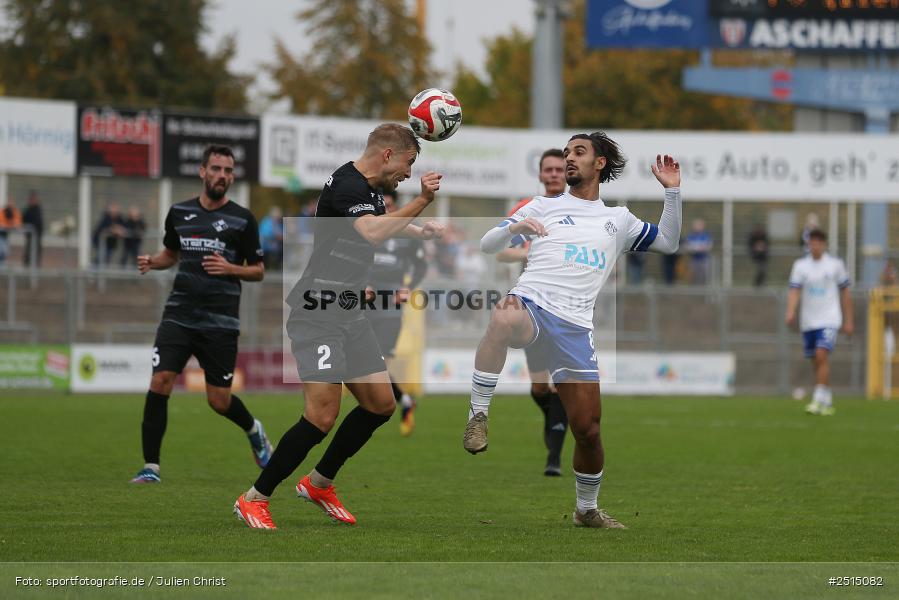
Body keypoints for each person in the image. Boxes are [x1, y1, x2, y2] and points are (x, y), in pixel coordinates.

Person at [462, 132, 682, 529]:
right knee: (503, 314)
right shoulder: (542, 206)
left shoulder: (618, 219)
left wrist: (672, 193)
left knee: (589, 431)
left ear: (599, 163)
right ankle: (478, 414)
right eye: (566, 153)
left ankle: (587, 510)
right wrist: (515, 227)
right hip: (531, 305)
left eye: (578, 152)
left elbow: (668, 242)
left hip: (575, 328)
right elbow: (486, 244)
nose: (569, 159)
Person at [233, 124, 444, 530]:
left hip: (348, 312)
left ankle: (319, 483)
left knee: (381, 405)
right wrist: (421, 201)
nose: (408, 172)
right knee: (322, 416)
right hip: (317, 313)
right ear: (387, 155)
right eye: (408, 163)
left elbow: (378, 222)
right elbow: (370, 230)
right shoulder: (348, 185)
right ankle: (254, 497)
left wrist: (420, 229)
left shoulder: (366, 190)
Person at [130, 144, 272, 484]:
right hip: (179, 314)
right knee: (160, 381)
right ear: (203, 172)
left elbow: (258, 271)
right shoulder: (179, 212)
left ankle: (254, 430)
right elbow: (171, 254)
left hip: (220, 321)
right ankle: (151, 467)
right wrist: (153, 261)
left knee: (218, 401)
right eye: (217, 169)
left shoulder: (243, 219)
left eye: (228, 171)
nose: (223, 175)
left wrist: (230, 267)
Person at [494, 148, 570, 476]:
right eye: (548, 170)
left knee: (563, 385)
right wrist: (526, 250)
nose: (554, 174)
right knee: (541, 387)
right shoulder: (528, 210)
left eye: (559, 169)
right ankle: (552, 414)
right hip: (534, 307)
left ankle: (554, 458)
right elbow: (499, 252)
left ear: (568, 174)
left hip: (570, 307)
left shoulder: (580, 210)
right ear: (540, 175)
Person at [365, 192, 428, 436]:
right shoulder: (366, 229)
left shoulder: (407, 233)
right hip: (365, 302)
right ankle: (403, 401)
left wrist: (408, 288)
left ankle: (390, 404)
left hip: (391, 304)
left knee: (378, 363)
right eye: (381, 205)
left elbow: (421, 265)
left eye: (388, 205)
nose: (384, 209)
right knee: (368, 362)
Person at [785, 229, 853, 416]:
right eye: (811, 242)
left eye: (818, 242)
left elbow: (845, 293)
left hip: (830, 319)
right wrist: (790, 312)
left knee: (821, 354)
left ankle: (817, 399)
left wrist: (849, 321)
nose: (814, 246)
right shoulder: (800, 266)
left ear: (823, 244)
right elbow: (794, 291)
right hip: (809, 321)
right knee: (816, 361)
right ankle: (827, 398)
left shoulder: (835, 265)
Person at [685, 218, 712, 285]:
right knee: (693, 276)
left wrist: (701, 248)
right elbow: (687, 246)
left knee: (704, 276)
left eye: (699, 225)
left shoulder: (705, 235)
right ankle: (694, 290)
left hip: (704, 259)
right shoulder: (691, 235)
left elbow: (708, 246)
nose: (697, 227)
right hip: (693, 259)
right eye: (696, 225)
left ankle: (704, 291)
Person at [22, 191, 44, 267]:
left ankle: (34, 273)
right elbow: (23, 220)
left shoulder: (38, 210)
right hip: (30, 237)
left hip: (36, 237)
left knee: (36, 255)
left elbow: (39, 223)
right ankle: (27, 271)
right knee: (28, 255)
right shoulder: (28, 210)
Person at [0, 199, 23, 265]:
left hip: (5, 234)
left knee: (4, 251)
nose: (10, 206)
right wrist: (7, 224)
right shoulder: (2, 212)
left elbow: (18, 222)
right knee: (3, 250)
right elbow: (1, 223)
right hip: (1, 234)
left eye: (11, 205)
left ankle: (2, 266)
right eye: (9, 205)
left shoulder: (14, 212)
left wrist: (13, 223)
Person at [748, 223, 769, 287]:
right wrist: (755, 248)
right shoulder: (752, 236)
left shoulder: (764, 236)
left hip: (762, 257)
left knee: (762, 270)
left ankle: (759, 284)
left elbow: (766, 244)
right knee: (760, 270)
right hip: (755, 256)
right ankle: (757, 284)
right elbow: (750, 244)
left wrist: (762, 247)